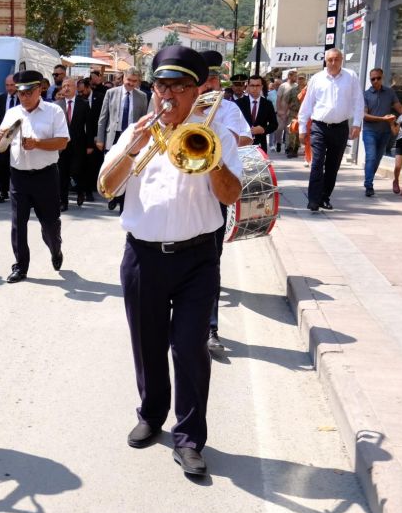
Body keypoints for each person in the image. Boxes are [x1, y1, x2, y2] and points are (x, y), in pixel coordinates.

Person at [97, 46, 243, 478]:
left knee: (190, 347)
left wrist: (210, 159)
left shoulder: (217, 133)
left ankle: (189, 438)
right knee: (147, 343)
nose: (168, 95)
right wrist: (132, 149)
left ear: (198, 91)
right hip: (142, 257)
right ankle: (151, 413)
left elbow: (231, 195)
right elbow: (106, 186)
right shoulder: (136, 132)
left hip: (197, 257)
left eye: (179, 87)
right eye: (161, 86)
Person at [0, 69, 69, 283]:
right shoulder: (12, 113)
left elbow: (63, 142)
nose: (24, 98)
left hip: (45, 177)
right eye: (20, 93)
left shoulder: (54, 111)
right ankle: (20, 266)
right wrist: (0, 139)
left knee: (50, 224)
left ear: (39, 90)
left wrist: (37, 144)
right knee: (18, 224)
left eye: (28, 93)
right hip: (19, 177)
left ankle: (55, 248)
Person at [200, 65, 251, 358]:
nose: (208, 85)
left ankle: (210, 328)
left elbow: (243, 138)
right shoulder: (178, 109)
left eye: (212, 79)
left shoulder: (229, 109)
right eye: (203, 80)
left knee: (210, 264)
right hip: (184, 197)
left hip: (215, 194)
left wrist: (213, 132)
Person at [298, 48, 363, 212]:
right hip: (319, 126)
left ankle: (324, 197)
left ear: (342, 60)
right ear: (325, 61)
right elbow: (307, 104)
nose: (333, 63)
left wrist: (357, 123)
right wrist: (302, 128)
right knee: (317, 163)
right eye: (330, 60)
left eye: (337, 59)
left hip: (340, 127)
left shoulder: (351, 77)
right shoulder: (317, 78)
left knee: (333, 165)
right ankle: (313, 200)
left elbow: (358, 101)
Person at [97, 69, 148, 212]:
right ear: (124, 78)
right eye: (129, 80)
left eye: (134, 81)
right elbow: (103, 117)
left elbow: (143, 119)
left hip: (131, 137)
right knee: (112, 166)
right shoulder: (111, 93)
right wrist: (100, 139)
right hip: (113, 135)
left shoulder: (142, 96)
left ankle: (123, 201)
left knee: (127, 168)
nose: (131, 83)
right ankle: (112, 195)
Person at [362, 67, 402, 197]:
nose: (375, 81)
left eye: (378, 78)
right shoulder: (365, 94)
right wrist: (382, 119)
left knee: (377, 159)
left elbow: (400, 108)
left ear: (382, 78)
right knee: (371, 157)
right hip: (370, 131)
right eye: (373, 79)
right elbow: (364, 115)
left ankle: (369, 179)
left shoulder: (390, 92)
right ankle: (368, 185)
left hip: (385, 132)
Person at [56, 77, 95, 209]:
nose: (66, 88)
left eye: (69, 86)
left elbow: (89, 126)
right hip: (62, 145)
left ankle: (80, 192)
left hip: (79, 144)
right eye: (64, 86)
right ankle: (63, 202)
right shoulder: (57, 105)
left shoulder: (83, 103)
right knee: (62, 173)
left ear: (75, 88)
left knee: (77, 171)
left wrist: (90, 145)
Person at [238, 74, 278, 153]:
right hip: (242, 145)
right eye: (252, 85)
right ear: (248, 86)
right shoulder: (238, 103)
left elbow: (274, 124)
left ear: (261, 87)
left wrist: (263, 130)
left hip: (260, 145)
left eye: (257, 85)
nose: (255, 88)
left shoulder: (267, 104)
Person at [277, 69, 301, 157]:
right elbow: (279, 99)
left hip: (291, 112)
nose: (296, 78)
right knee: (279, 129)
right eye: (295, 76)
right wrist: (279, 110)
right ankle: (278, 143)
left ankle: (288, 148)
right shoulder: (283, 86)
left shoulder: (297, 86)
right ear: (289, 76)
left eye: (297, 76)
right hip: (282, 111)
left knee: (289, 130)